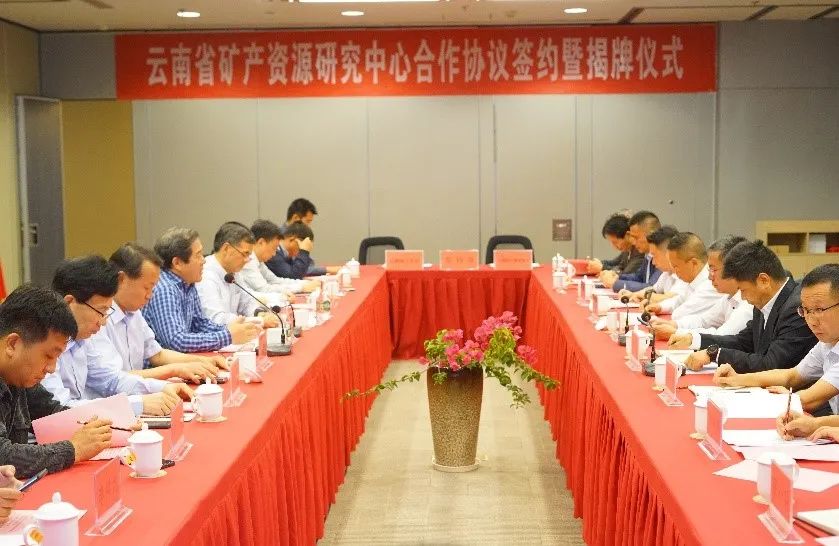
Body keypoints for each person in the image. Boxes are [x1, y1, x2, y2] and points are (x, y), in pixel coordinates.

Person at [41, 256, 193, 417]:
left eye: (107, 312)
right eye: (100, 311)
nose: (103, 322)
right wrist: (138, 404)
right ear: (69, 302)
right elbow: (59, 408)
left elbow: (110, 380)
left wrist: (161, 388)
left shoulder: (81, 339)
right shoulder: (43, 340)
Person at [708, 265, 839, 438]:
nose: (812, 321)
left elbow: (810, 399)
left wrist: (792, 403)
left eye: (819, 310)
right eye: (806, 310)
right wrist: (737, 379)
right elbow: (792, 376)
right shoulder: (827, 342)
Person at [0, 285, 113, 477]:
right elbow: (4, 456)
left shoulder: (17, 375)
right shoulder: (19, 372)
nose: (51, 368)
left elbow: (52, 411)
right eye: (48, 355)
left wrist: (105, 426)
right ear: (13, 344)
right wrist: (74, 449)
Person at [87, 243, 227, 384]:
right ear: (121, 279)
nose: (150, 295)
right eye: (146, 287)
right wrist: (174, 370)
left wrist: (202, 361)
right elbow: (113, 378)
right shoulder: (98, 317)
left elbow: (157, 354)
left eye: (153, 288)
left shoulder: (134, 312)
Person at [683, 240, 817, 373]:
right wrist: (696, 340)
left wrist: (716, 355)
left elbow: (772, 364)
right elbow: (742, 342)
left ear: (764, 280)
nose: (742, 297)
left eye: (743, 290)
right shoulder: (764, 301)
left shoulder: (796, 309)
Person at [143, 227, 261, 352]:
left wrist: (231, 330)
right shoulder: (165, 289)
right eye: (198, 255)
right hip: (162, 362)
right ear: (177, 263)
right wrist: (227, 336)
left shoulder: (187, 283)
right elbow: (176, 341)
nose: (204, 260)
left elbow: (199, 324)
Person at [661, 235, 753, 346]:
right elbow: (704, 320)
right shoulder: (728, 297)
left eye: (714, 269)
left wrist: (677, 332)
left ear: (733, 269)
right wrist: (675, 325)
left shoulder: (748, 303)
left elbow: (722, 337)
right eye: (709, 269)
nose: (710, 277)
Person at [196, 222, 279, 328]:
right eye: (245, 254)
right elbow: (217, 319)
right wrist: (259, 320)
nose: (247, 260)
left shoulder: (234, 272)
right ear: (226, 249)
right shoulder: (206, 275)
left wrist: (259, 313)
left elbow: (247, 302)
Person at [645, 232, 722, 321]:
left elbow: (679, 314)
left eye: (676, 266)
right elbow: (680, 300)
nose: (674, 271)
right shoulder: (694, 280)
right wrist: (660, 307)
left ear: (693, 263)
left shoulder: (711, 284)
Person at [239, 219, 318, 295]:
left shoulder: (258, 260)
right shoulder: (248, 260)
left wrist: (304, 283)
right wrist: (301, 288)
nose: (274, 254)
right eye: (273, 248)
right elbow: (264, 289)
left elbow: (275, 280)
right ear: (261, 242)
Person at [619, 225, 685, 305]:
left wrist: (643, 295)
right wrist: (633, 294)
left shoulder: (684, 273)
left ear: (668, 254)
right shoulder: (666, 273)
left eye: (654, 256)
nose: (653, 262)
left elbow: (671, 298)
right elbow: (653, 289)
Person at [601, 211, 662, 292]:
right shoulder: (648, 254)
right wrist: (617, 277)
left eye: (636, 238)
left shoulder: (664, 254)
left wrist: (615, 284)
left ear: (651, 235)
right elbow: (638, 277)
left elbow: (652, 287)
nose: (633, 242)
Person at [265, 221, 336, 280]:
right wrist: (304, 251)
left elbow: (304, 271)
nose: (300, 251)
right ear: (292, 239)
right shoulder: (274, 252)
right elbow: (293, 276)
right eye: (301, 246)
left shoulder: (286, 253)